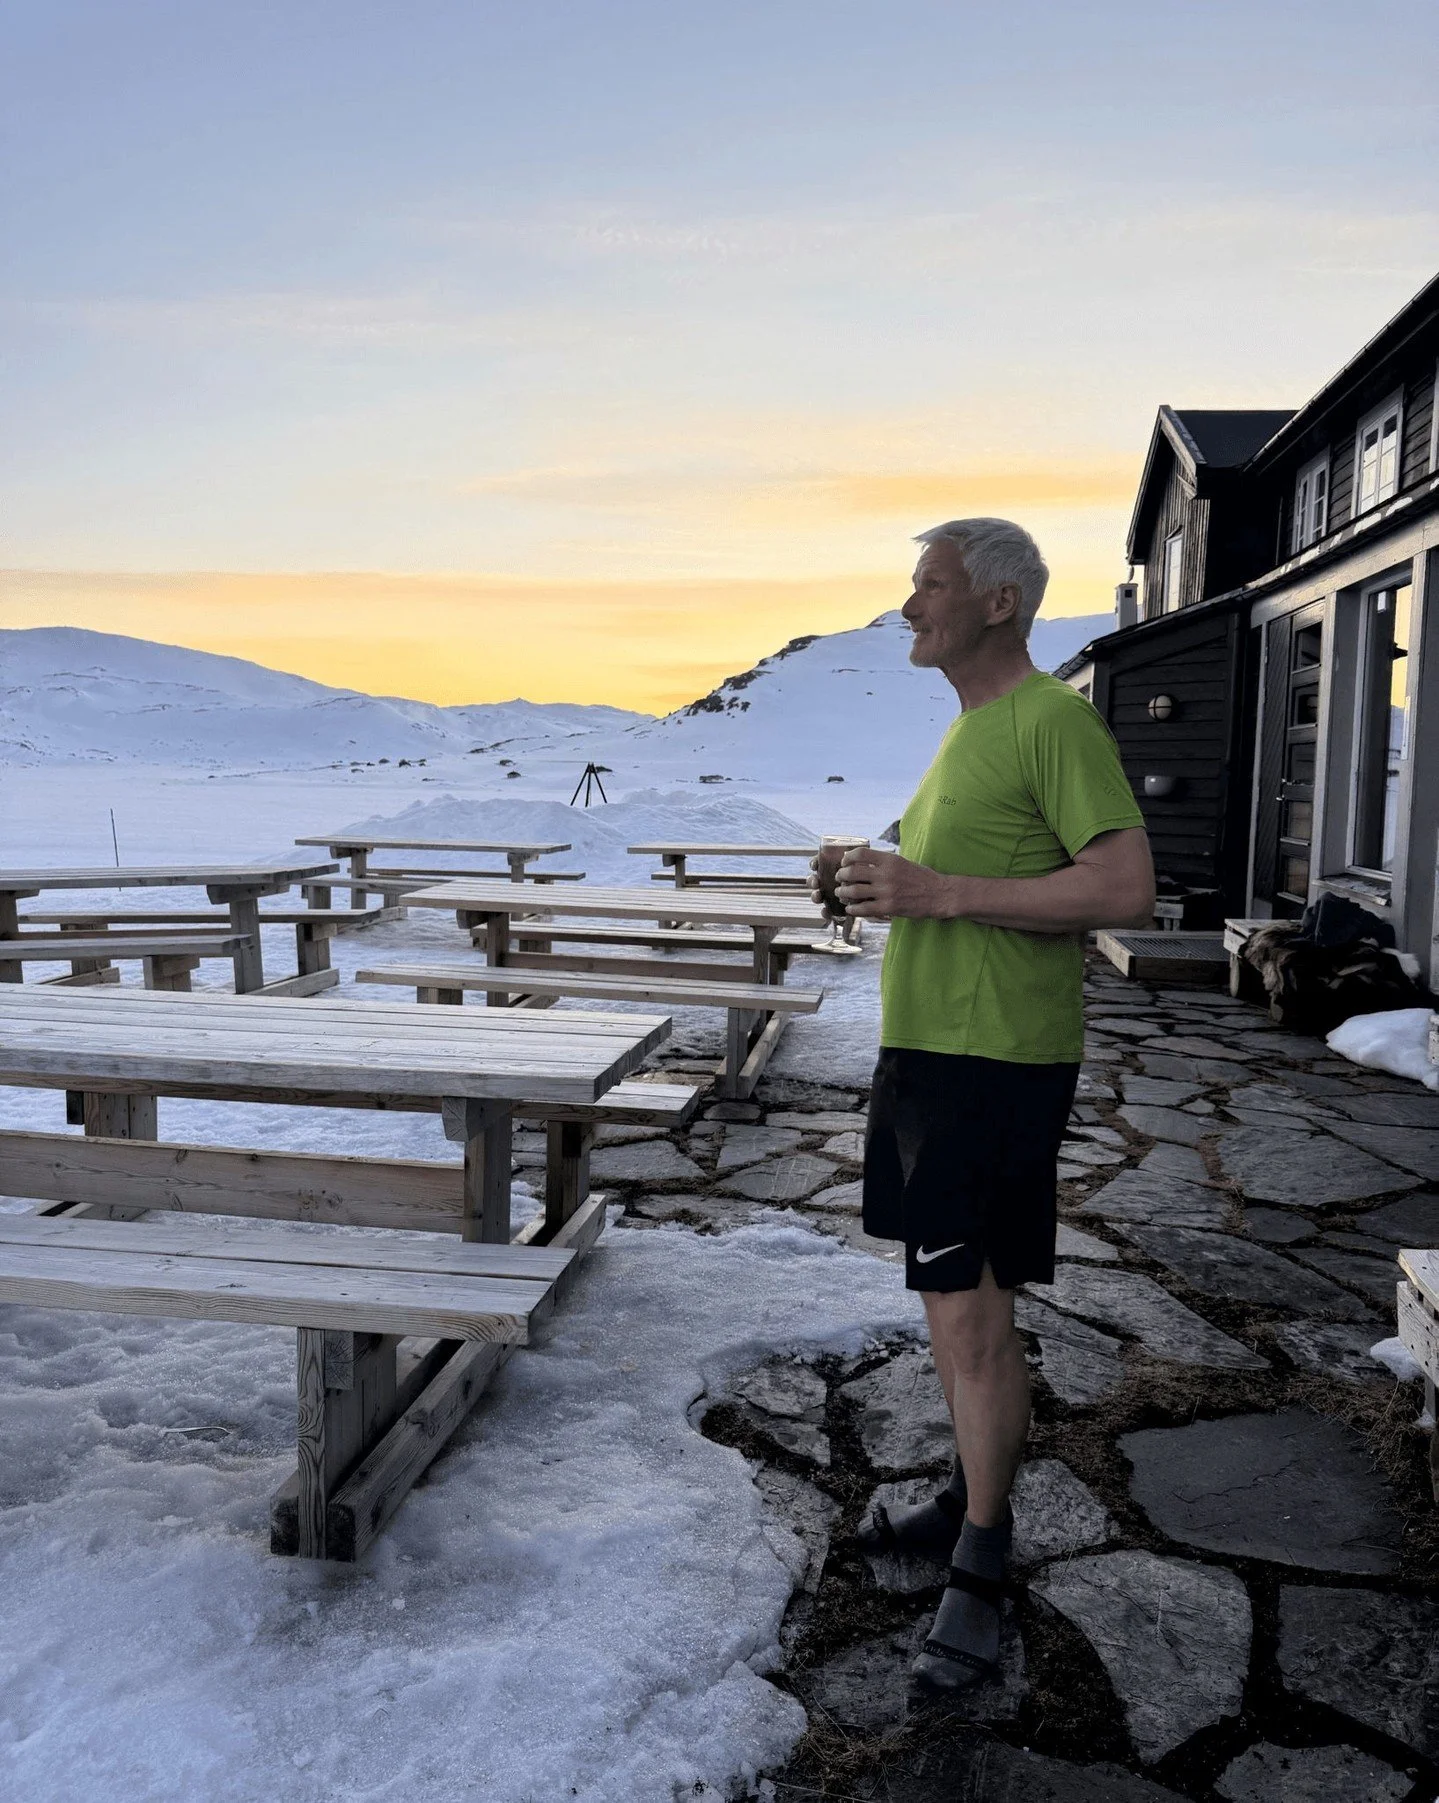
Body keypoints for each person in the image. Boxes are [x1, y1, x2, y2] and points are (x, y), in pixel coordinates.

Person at [815, 518, 1153, 1693]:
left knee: (970, 1313)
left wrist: (937, 888)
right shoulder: (969, 733)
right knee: (943, 1298)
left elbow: (1123, 887)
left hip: (993, 1060)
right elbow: (952, 886)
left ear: (997, 603)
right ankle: (971, 1494)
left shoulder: (1051, 720)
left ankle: (982, 1555)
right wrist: (870, 880)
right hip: (928, 1051)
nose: (908, 605)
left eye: (929, 584)